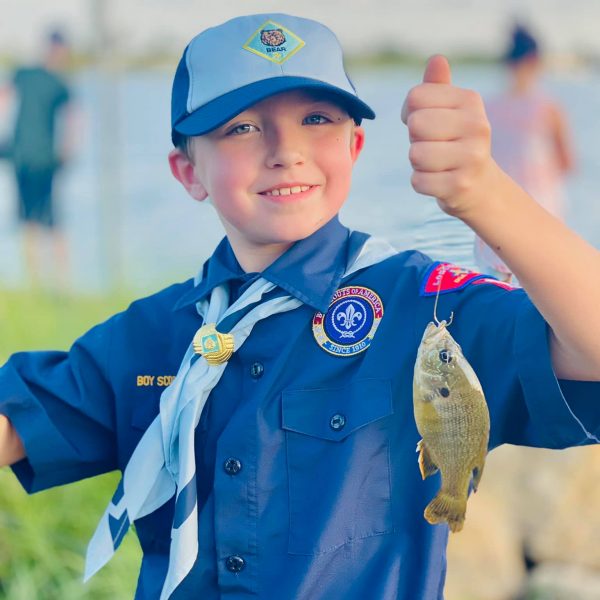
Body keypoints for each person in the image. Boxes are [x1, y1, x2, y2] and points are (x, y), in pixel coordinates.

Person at [0, 13, 599, 600]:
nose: (287, 150)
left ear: (355, 144)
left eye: (316, 119)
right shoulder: (151, 333)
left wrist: (487, 194)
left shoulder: (426, 306)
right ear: (188, 171)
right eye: (242, 127)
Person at [474, 24, 575, 282]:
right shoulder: (548, 108)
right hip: (540, 205)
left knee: (500, 286)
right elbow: (567, 162)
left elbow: (479, 161)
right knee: (544, 285)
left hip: (497, 204)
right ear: (535, 61)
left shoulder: (488, 107)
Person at [3, 30, 76, 289]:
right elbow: (74, 118)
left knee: (41, 221)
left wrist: (67, 149)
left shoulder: (35, 76)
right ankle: (46, 285)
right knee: (40, 222)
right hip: (35, 159)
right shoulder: (55, 81)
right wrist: (68, 150)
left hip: (30, 158)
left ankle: (53, 284)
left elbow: (3, 98)